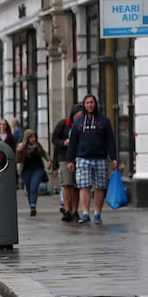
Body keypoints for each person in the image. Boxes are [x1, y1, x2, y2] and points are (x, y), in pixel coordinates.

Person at [67, 94, 118, 224]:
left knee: (100, 187)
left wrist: (113, 157)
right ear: (84, 105)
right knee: (84, 186)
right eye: (87, 103)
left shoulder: (104, 121)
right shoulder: (78, 123)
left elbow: (110, 141)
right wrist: (70, 160)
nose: (90, 105)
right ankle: (85, 213)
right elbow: (73, 142)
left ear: (95, 104)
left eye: (92, 102)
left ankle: (97, 213)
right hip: (83, 158)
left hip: (100, 158)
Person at [52, 103, 84, 222]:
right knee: (66, 184)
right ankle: (66, 210)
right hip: (64, 157)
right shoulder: (64, 124)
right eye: (77, 116)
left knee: (76, 186)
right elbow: (54, 138)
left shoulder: (84, 126)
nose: (78, 118)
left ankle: (75, 210)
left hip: (79, 157)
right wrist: (63, 142)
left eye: (81, 115)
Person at [16, 129, 51, 216]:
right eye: (31, 137)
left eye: (34, 137)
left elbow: (44, 153)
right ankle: (31, 205)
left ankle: (33, 206)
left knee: (33, 188)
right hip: (26, 170)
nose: (33, 139)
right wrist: (19, 151)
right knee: (28, 189)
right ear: (27, 138)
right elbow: (18, 160)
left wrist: (49, 160)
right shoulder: (22, 147)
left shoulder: (37, 145)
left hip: (38, 169)